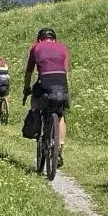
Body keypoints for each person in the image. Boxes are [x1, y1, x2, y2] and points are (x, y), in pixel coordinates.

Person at [21, 27, 70, 156]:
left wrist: (26, 89)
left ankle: (37, 125)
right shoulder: (63, 48)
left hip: (45, 80)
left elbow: (29, 72)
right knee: (60, 116)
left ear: (39, 39)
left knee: (35, 101)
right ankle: (59, 149)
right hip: (61, 81)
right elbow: (65, 71)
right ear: (54, 39)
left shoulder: (36, 47)